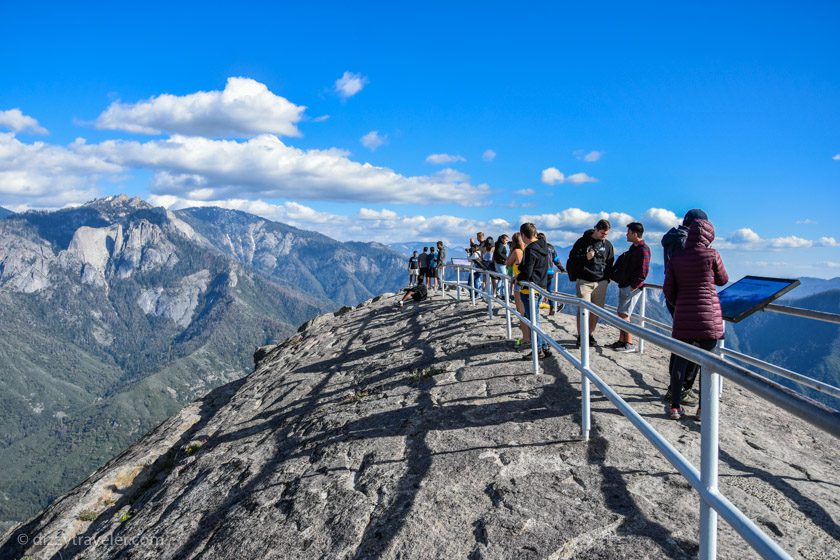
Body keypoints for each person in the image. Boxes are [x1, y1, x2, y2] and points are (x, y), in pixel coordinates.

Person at [663, 218, 728, 420]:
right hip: (709, 317)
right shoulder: (712, 254)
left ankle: (675, 407)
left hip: (683, 316)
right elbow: (723, 279)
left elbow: (668, 290)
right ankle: (702, 409)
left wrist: (679, 305)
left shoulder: (677, 258)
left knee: (680, 362)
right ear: (709, 236)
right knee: (706, 364)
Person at [661, 208, 708, 405]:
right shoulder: (684, 242)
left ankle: (676, 389)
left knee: (682, 343)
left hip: (676, 296)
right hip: (688, 298)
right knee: (694, 345)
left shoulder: (673, 238)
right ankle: (680, 390)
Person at [567, 219, 614, 347]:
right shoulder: (582, 242)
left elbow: (610, 262)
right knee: (583, 310)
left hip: (601, 282)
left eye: (606, 234)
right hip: (584, 281)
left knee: (596, 311)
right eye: (602, 233)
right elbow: (572, 259)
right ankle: (581, 336)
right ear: (596, 229)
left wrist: (607, 279)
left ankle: (590, 335)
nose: (604, 236)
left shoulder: (608, 245)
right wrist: (585, 257)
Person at [609, 222, 651, 352]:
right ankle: (622, 341)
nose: (626, 234)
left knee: (624, 314)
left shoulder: (643, 250)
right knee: (621, 313)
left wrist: (633, 286)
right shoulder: (635, 248)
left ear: (634, 233)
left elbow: (643, 272)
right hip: (626, 284)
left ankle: (629, 343)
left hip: (631, 287)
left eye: (628, 232)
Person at [661, 209, 708, 316]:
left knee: (681, 329)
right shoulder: (683, 241)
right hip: (684, 295)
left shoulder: (674, 237)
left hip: (674, 292)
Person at [517, 222, 551, 360]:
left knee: (532, 321)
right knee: (535, 320)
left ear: (524, 235)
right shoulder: (544, 246)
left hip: (529, 289)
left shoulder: (530, 249)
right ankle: (544, 347)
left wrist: (519, 277)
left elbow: (528, 271)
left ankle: (537, 350)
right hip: (540, 286)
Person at [506, 232, 528, 349]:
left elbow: (507, 263)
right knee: (528, 312)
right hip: (527, 283)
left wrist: (511, 251)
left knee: (522, 313)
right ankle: (527, 336)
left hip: (519, 283)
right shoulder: (526, 251)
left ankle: (525, 338)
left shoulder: (516, 252)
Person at [538, 232, 565, 315]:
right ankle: (552, 307)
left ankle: (535, 308)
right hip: (550, 272)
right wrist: (562, 269)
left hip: (540, 273)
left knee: (537, 290)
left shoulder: (536, 247)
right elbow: (556, 260)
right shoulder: (551, 247)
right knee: (549, 290)